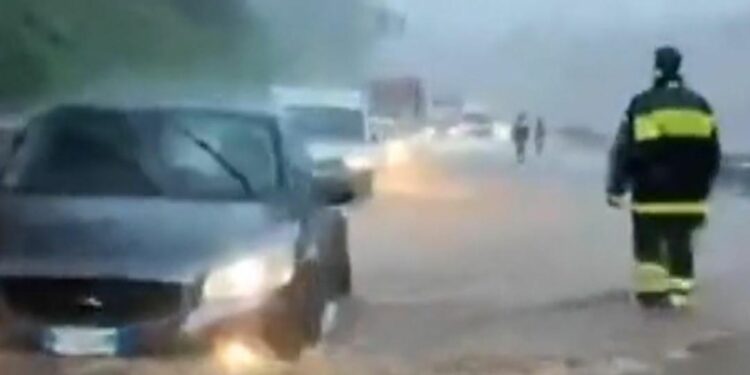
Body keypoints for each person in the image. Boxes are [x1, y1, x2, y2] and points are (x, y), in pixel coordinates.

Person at [607, 46, 721, 308]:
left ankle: (653, 320)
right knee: (681, 244)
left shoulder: (643, 104)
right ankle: (680, 307)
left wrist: (616, 186)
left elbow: (628, 149)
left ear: (656, 69)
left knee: (650, 254)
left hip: (652, 196)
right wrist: (703, 187)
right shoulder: (700, 105)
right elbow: (713, 153)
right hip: (691, 197)